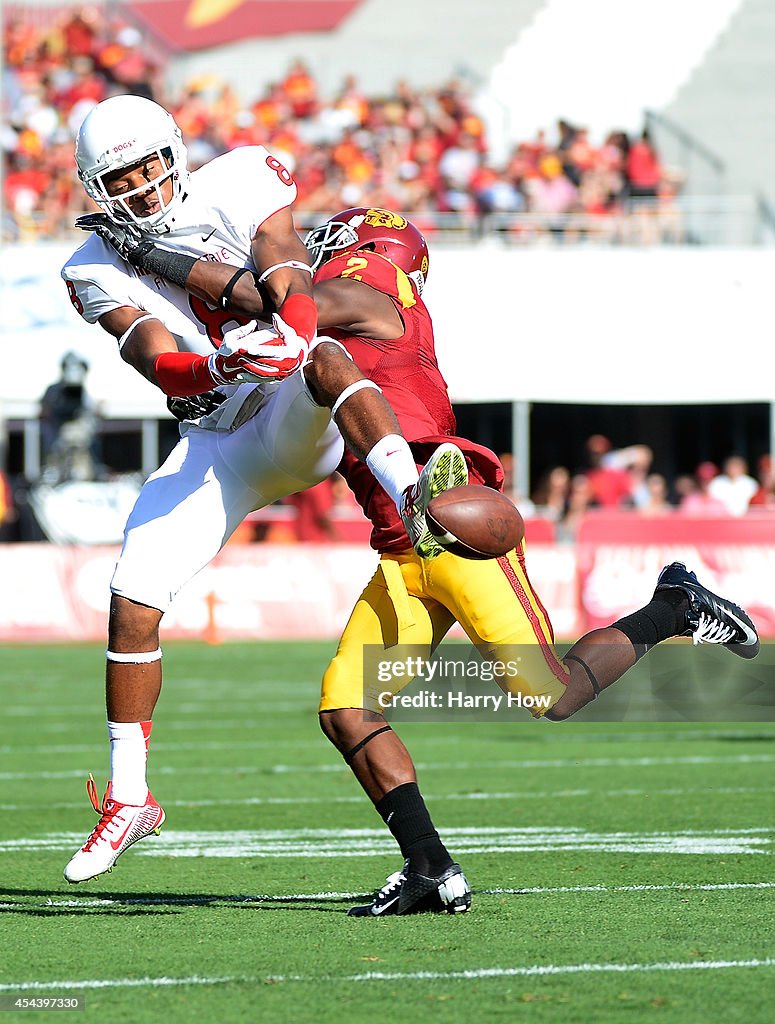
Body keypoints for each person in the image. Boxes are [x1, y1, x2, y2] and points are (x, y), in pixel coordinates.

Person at [141, 205, 761, 917]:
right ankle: (429, 867)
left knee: (551, 697)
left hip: (449, 527)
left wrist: (153, 253)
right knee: (346, 710)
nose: (311, 257)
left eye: (328, 246)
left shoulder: (377, 293)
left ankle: (673, 607)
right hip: (399, 549)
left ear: (365, 250)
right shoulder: (333, 326)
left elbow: (265, 297)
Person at [60, 98, 467, 885]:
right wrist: (215, 367)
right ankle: (131, 795)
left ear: (175, 152)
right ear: (95, 185)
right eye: (122, 177)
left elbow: (282, 264)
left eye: (149, 166)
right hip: (219, 433)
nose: (143, 186)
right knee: (133, 590)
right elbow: (150, 355)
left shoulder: (241, 177)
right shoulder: (91, 265)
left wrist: (290, 326)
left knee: (321, 357)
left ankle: (412, 493)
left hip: (290, 409)